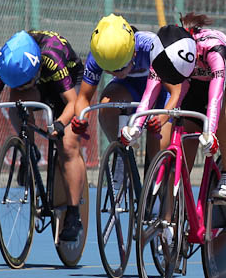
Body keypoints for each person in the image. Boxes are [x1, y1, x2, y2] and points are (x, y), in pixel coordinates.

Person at [122, 13, 226, 201]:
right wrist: (136, 127)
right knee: (187, 136)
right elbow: (149, 95)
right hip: (194, 85)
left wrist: (210, 132)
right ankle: (177, 209)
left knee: (222, 110)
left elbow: (215, 97)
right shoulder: (163, 54)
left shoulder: (213, 49)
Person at [0, 30, 86, 241]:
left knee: (68, 144)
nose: (22, 88)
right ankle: (29, 150)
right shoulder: (3, 61)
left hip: (68, 81)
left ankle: (73, 215)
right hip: (40, 82)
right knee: (18, 102)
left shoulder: (52, 58)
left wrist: (60, 124)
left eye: (25, 83)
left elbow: (72, 103)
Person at [71, 14, 167, 170]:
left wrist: (162, 116)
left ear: (134, 53)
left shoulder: (150, 46)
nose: (116, 73)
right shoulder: (97, 56)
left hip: (160, 91)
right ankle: (121, 153)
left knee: (159, 149)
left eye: (121, 68)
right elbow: (83, 97)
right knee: (106, 106)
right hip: (128, 89)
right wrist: (81, 119)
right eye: (110, 70)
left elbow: (174, 89)